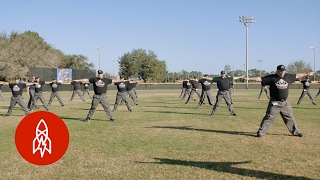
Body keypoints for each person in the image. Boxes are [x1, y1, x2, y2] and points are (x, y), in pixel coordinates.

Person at [247, 65, 313, 138]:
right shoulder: (272, 78)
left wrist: (307, 74)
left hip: (285, 103)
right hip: (275, 103)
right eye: (280, 71)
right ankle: (261, 133)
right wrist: (249, 78)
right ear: (277, 71)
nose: (282, 72)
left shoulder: (288, 77)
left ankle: (296, 132)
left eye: (283, 70)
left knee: (290, 118)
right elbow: (260, 79)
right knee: (268, 118)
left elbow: (297, 75)